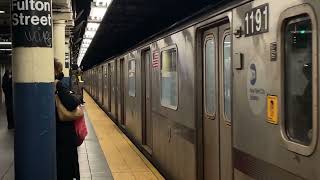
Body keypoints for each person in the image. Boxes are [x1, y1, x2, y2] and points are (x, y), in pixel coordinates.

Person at [54, 59, 81, 180]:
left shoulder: (52, 85)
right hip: (64, 134)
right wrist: (75, 97)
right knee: (67, 167)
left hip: (58, 134)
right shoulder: (58, 85)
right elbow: (72, 103)